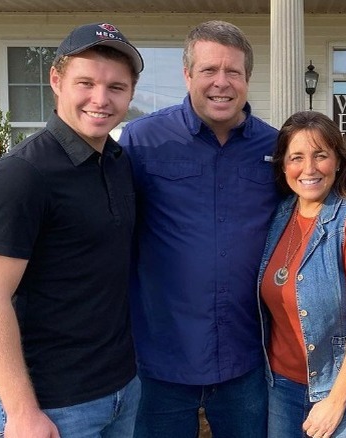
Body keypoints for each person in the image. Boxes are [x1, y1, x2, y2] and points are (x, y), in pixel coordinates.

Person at [0, 22, 144, 438]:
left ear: (131, 93)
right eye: (86, 82)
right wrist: (22, 411)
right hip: (53, 405)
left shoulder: (117, 162)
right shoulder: (22, 175)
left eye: (116, 87)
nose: (100, 100)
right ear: (56, 80)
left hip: (124, 387)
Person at [118, 20, 280, 437]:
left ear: (248, 78)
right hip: (160, 359)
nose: (221, 83)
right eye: (209, 70)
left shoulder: (275, 149)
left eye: (233, 72)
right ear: (187, 74)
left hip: (246, 356)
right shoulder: (143, 141)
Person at [258, 111, 346, 438]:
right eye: (297, 158)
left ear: (338, 161)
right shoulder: (282, 214)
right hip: (283, 387)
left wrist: (335, 400)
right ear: (283, 166)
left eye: (320, 155)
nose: (309, 169)